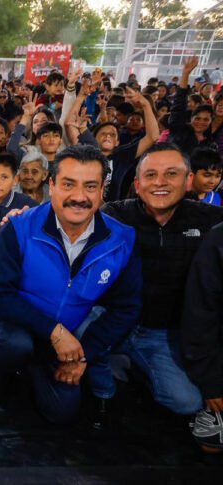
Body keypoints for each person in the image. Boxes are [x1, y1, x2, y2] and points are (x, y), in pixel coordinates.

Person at [0, 144, 142, 442]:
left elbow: (127, 308)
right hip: (13, 319)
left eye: (90, 186)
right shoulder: (18, 227)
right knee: (16, 344)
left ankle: (31, 364)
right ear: (52, 185)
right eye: (69, 184)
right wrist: (55, 332)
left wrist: (84, 356)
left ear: (101, 192)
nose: (79, 196)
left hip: (66, 335)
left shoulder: (122, 240)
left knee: (62, 412)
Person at [101, 143, 223, 417]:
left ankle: (138, 367)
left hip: (164, 334)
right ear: (137, 183)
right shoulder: (114, 215)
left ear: (189, 180)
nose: (160, 183)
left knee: (186, 402)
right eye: (151, 175)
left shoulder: (212, 223)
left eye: (171, 174)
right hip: (111, 320)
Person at [182, 222, 223, 452]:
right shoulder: (217, 241)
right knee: (212, 442)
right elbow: (200, 316)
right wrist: (212, 383)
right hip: (216, 355)